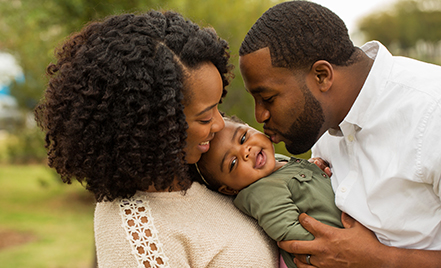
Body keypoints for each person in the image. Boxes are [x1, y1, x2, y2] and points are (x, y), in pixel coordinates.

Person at [34, 11, 279, 267]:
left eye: (218, 106)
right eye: (205, 118)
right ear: (155, 125)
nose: (220, 124)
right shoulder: (136, 232)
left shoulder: (208, 173)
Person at [238, 1, 441, 267]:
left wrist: (380, 259)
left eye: (268, 98)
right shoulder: (324, 118)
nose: (259, 116)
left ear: (322, 76)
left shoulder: (431, 112)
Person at [197, 116, 343, 268]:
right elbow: (291, 234)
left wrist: (312, 167)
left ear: (250, 127)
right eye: (233, 163)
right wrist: (338, 249)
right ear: (229, 189)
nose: (245, 152)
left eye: (243, 138)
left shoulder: (275, 162)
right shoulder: (260, 192)